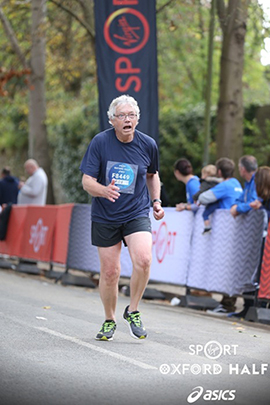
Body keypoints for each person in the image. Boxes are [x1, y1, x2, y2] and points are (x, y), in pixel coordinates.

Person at [80, 95, 164, 341]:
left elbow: (152, 174)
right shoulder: (100, 142)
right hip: (105, 215)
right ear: (111, 120)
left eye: (131, 115)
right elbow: (87, 181)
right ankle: (109, 319)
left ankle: (133, 310)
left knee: (144, 260)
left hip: (136, 212)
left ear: (137, 119)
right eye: (122, 116)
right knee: (110, 272)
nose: (127, 120)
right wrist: (103, 190)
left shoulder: (148, 144)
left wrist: (156, 201)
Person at [197, 157, 243, 316]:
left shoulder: (224, 185)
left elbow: (203, 198)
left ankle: (227, 304)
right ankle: (228, 302)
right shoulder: (237, 183)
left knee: (226, 266)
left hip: (226, 230)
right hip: (236, 229)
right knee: (232, 266)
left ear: (219, 172)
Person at [192, 164, 223, 234]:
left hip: (211, 203)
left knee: (205, 214)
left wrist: (195, 197)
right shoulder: (219, 182)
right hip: (219, 203)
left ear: (206, 174)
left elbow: (201, 192)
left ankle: (207, 227)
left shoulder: (206, 183)